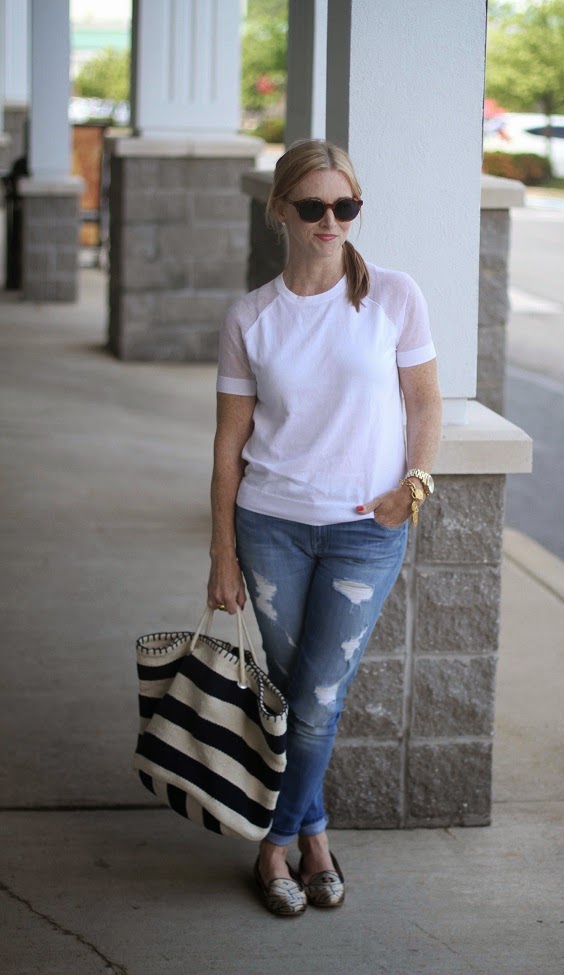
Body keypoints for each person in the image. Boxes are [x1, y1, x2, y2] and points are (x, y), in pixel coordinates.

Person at [207, 139, 442, 916]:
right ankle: (315, 838)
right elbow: (229, 444)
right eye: (312, 206)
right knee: (289, 696)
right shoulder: (251, 317)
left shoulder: (395, 296)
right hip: (270, 527)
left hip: (364, 534)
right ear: (280, 209)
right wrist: (222, 552)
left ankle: (273, 843)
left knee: (315, 700)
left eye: (346, 205)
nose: (330, 220)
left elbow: (424, 403)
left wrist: (413, 485)